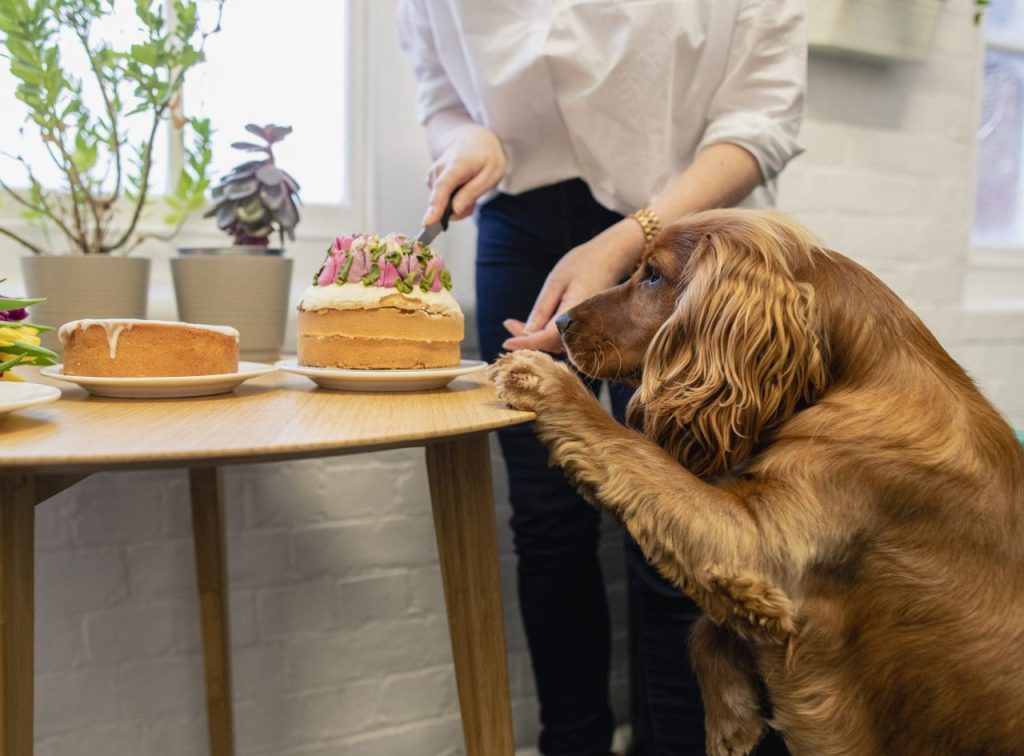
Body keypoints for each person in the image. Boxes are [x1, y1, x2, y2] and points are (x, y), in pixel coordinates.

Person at [397, 3, 806, 754]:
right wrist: (470, 137)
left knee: (682, 525)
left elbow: (761, 121)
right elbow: (441, 95)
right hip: (519, 226)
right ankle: (572, 743)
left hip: (683, 232)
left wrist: (632, 242)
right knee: (548, 522)